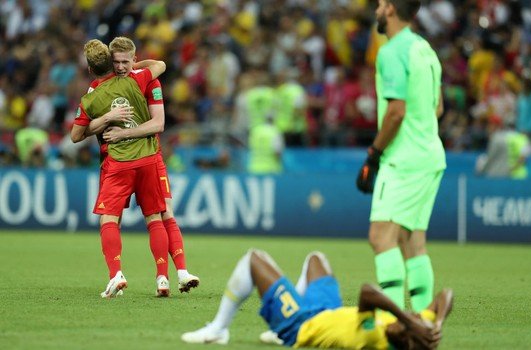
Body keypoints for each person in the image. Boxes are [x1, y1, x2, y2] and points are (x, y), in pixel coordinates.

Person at [92, 36, 199, 296]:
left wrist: (121, 133)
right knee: (142, 217)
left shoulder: (143, 82)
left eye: (125, 62)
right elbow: (160, 64)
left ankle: (176, 274)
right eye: (115, 62)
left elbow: (158, 123)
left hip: (147, 156)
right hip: (121, 159)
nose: (120, 67)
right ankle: (135, 275)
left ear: (134, 61)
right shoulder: (108, 85)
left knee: (163, 214)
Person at [358, 0, 446, 312]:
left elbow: (395, 112)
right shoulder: (425, 50)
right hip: (431, 155)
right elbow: (437, 108)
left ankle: (393, 322)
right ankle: (424, 323)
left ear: (392, 9)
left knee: (381, 237)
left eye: (381, 4)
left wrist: (374, 154)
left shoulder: (392, 51)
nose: (377, 10)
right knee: (412, 242)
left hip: (404, 159)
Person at [181, 249, 453, 349]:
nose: (413, 316)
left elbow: (368, 292)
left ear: (404, 338)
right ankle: (275, 328)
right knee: (316, 259)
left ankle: (218, 329)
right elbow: (445, 296)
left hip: (302, 326)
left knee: (254, 259)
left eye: (410, 321)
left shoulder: (377, 339)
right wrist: (435, 322)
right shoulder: (408, 332)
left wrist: (409, 319)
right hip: (328, 311)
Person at [71, 39, 168, 298]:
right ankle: (163, 278)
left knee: (110, 219)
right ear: (113, 65)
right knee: (155, 218)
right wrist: (136, 63)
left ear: (91, 70)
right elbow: (160, 65)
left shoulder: (90, 99)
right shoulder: (137, 80)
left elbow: (75, 135)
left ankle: (116, 274)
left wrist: (104, 119)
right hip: (148, 158)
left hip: (117, 163)